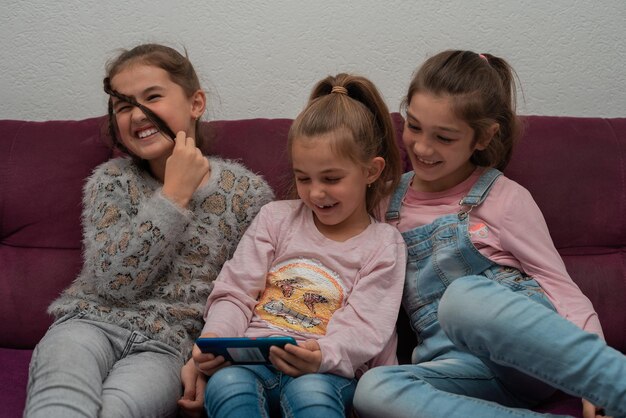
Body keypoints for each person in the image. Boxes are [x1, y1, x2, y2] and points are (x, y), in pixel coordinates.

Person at [353, 50, 626, 418]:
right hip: (460, 370)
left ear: (483, 137)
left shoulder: (504, 198)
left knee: (462, 298)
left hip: (526, 355)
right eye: (414, 126)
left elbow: (559, 286)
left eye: (444, 137)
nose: (421, 147)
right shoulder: (385, 204)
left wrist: (595, 386)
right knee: (374, 390)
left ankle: (616, 382)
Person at [24, 43, 274, 418]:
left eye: (153, 96)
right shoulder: (111, 182)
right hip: (88, 323)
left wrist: (213, 361)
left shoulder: (247, 195)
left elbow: (252, 295)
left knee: (118, 410)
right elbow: (113, 283)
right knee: (60, 398)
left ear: (196, 104)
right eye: (123, 106)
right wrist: (173, 195)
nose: (137, 114)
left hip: (167, 349)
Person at [190, 73, 407, 417]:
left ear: (371, 171)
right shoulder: (275, 218)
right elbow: (235, 291)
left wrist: (322, 355)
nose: (316, 192)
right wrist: (217, 338)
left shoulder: (383, 243)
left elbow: (367, 325)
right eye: (303, 178)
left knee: (310, 393)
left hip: (327, 371)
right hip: (253, 358)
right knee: (227, 385)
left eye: (332, 179)